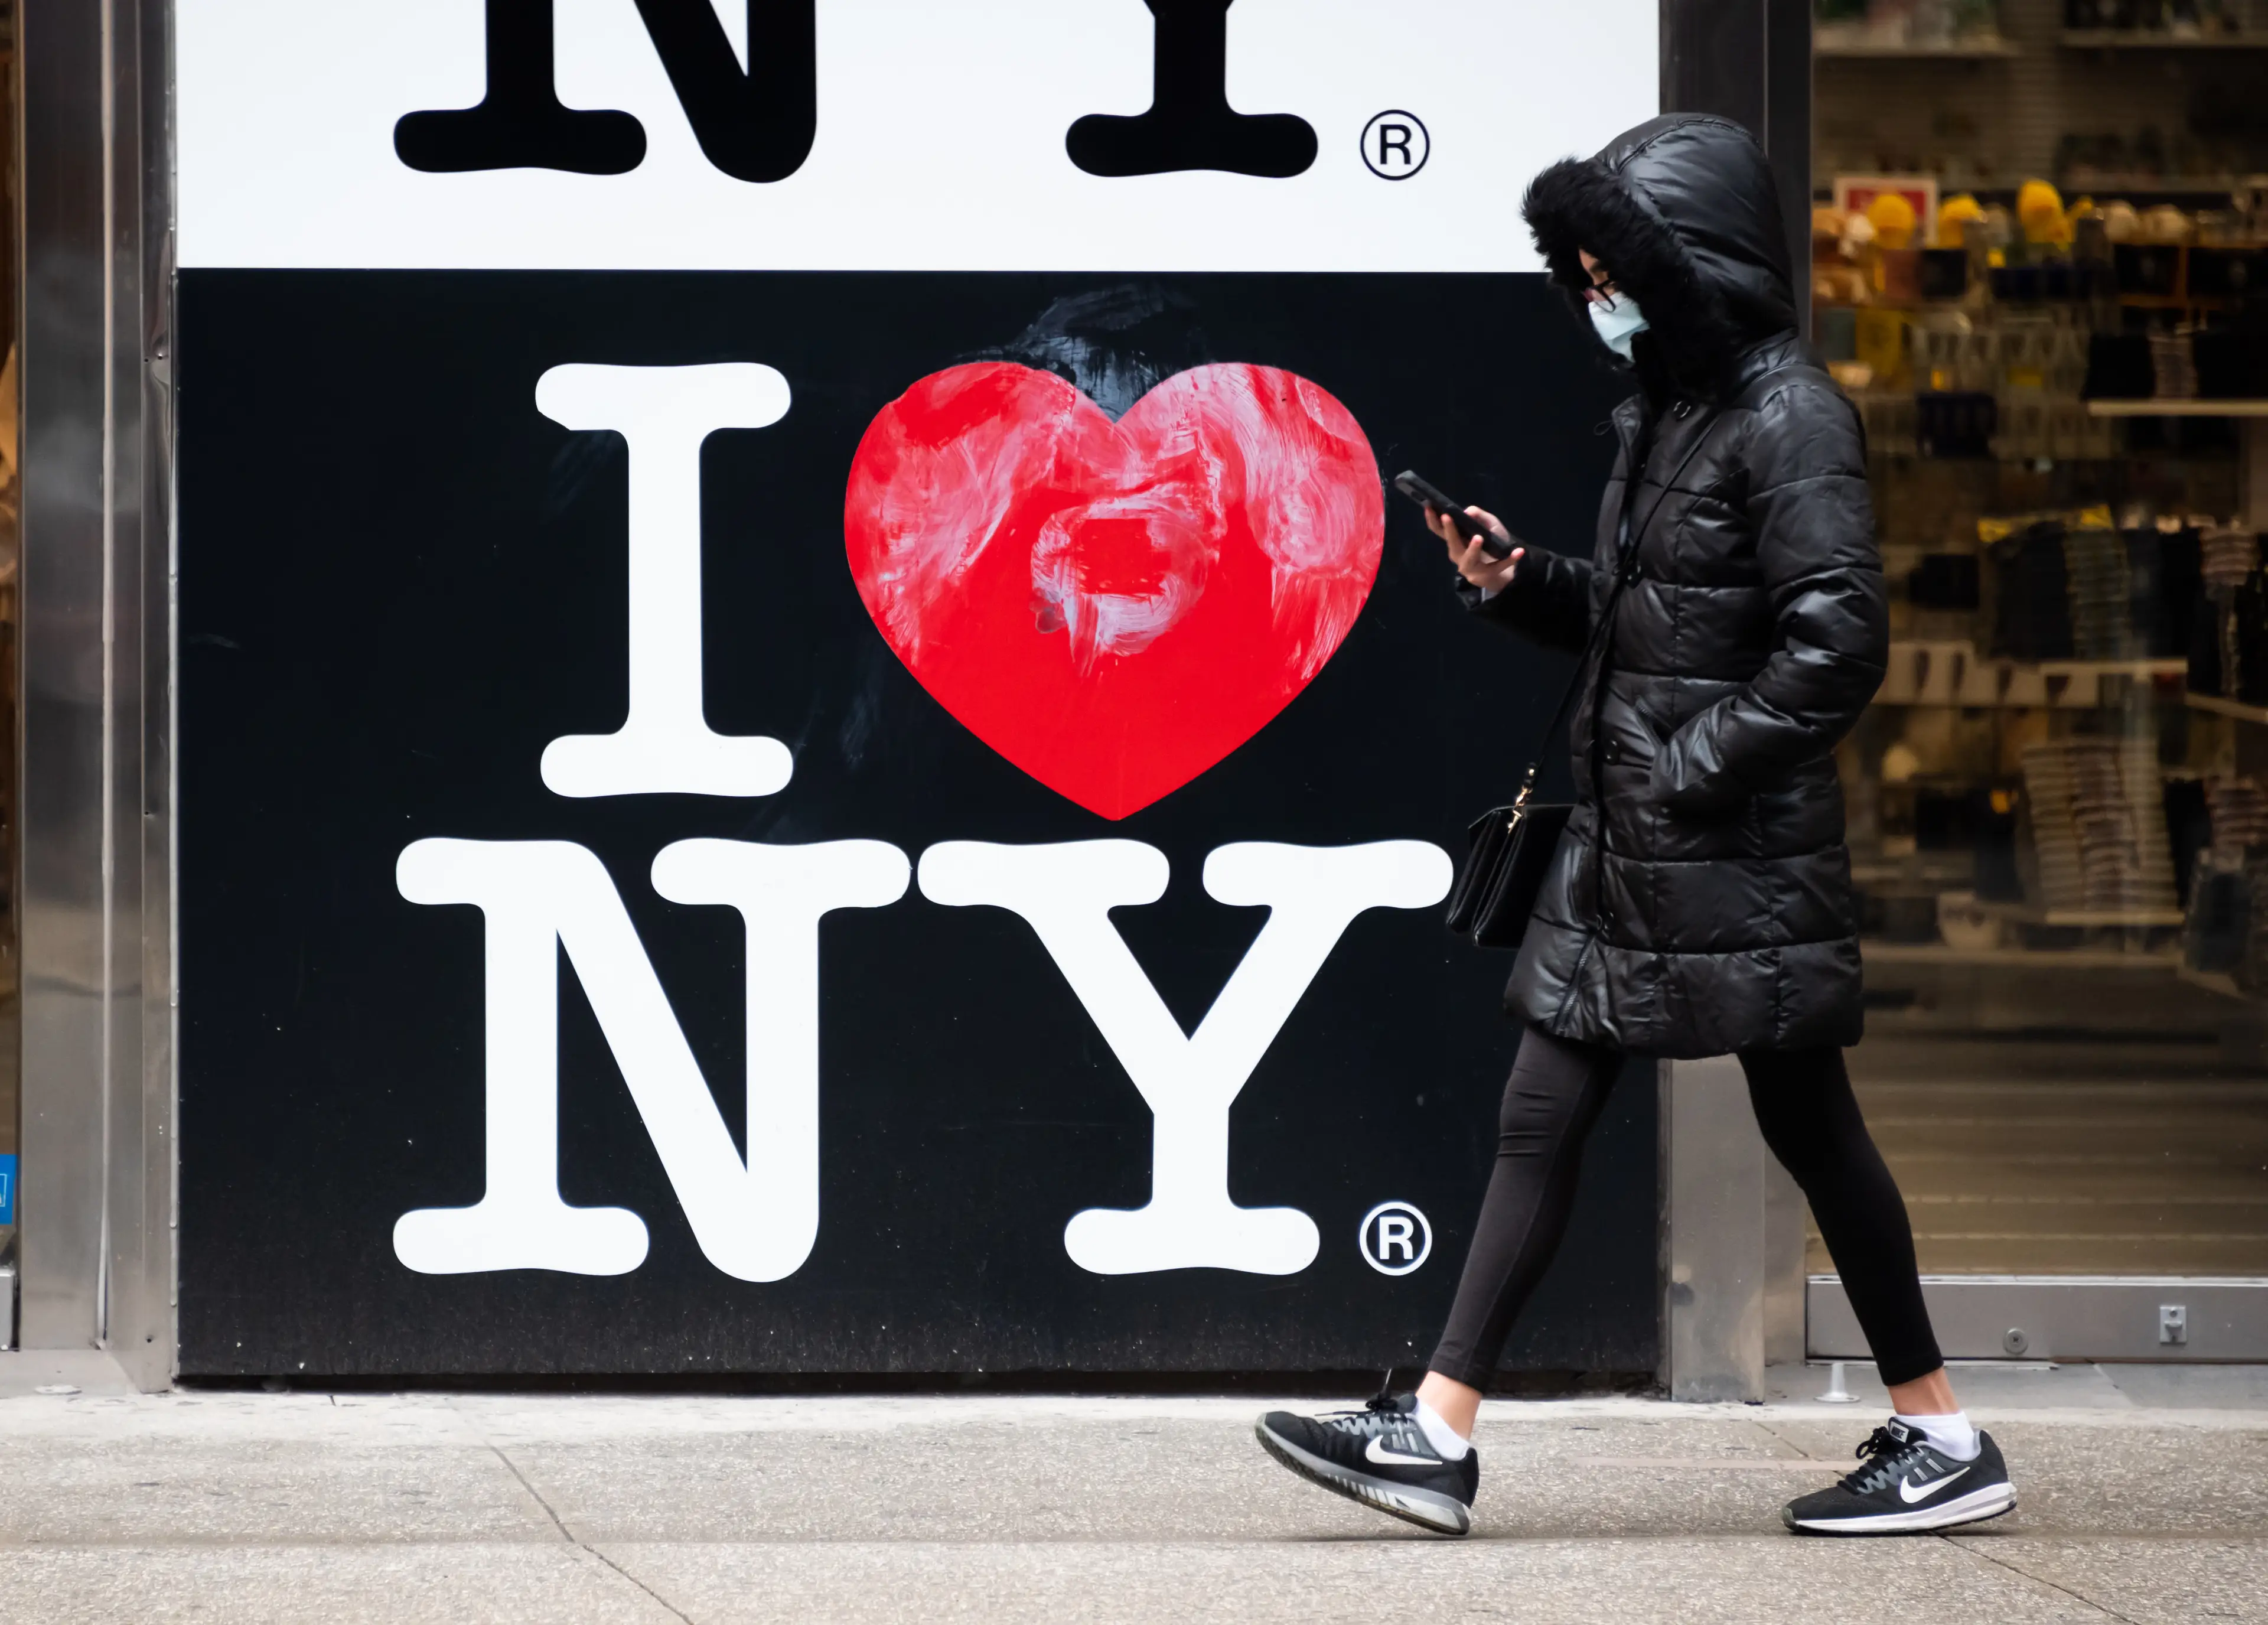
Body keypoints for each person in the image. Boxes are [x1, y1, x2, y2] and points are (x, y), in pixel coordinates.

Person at [1253, 115, 2016, 1539]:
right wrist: (1522, 576)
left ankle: (1937, 1430)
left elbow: (1837, 642)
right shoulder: (1675, 408)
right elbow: (1651, 624)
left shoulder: (1788, 414)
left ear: (1694, 271)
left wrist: (1686, 761)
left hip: (1718, 842)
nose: (1600, 301)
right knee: (1562, 1106)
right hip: (1651, 839)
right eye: (1587, 274)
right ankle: (1442, 1428)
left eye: (1620, 275)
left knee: (1788, 1123)